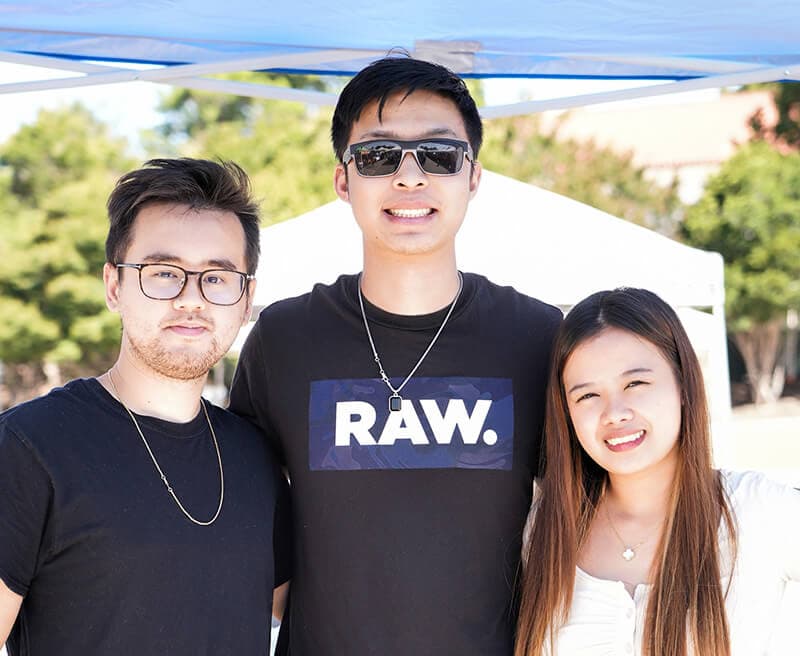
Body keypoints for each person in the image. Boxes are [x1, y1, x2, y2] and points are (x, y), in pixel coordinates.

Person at [229, 56, 562, 655]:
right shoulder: (282, 339)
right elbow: (244, 528)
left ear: (473, 178)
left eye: (438, 155)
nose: (410, 178)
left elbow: (590, 518)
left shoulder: (537, 336)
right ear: (342, 180)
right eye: (379, 157)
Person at [0, 158, 290, 655]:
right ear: (115, 286)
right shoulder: (28, 448)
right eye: (163, 273)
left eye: (217, 278)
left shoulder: (258, 456)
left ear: (246, 301)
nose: (190, 298)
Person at [516, 287, 800, 655]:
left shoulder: (755, 509)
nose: (614, 412)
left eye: (635, 383)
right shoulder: (547, 525)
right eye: (587, 395)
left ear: (682, 383)